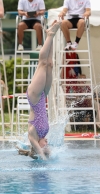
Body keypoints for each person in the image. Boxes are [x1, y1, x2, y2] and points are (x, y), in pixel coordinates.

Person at [25, 20, 61, 160]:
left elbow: (40, 152)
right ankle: (52, 35)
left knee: (42, 63)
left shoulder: (33, 134)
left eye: (44, 146)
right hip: (42, 96)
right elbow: (49, 152)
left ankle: (49, 35)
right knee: (50, 64)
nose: (46, 145)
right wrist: (48, 153)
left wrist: (42, 156)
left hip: (34, 97)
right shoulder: (44, 133)